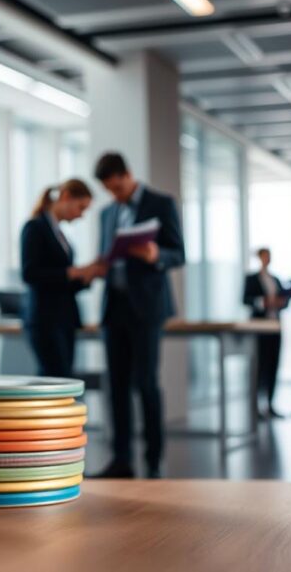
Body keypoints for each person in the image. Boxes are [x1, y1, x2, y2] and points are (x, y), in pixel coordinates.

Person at [92, 152, 185, 479]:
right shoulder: (107, 214)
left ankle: (154, 460)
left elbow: (178, 253)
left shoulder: (161, 204)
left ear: (128, 174)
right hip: (113, 307)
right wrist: (100, 265)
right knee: (115, 385)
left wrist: (156, 253)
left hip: (146, 308)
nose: (115, 195)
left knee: (145, 383)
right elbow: (107, 254)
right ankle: (122, 460)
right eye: (109, 190)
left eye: (117, 187)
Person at [20, 179, 99, 378]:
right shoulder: (35, 227)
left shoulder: (60, 234)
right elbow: (29, 274)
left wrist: (87, 276)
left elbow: (64, 284)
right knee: (54, 378)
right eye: (80, 207)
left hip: (64, 319)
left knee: (65, 378)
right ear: (66, 198)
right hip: (45, 319)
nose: (81, 215)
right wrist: (69, 273)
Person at [242, 248, 288, 419]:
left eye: (269, 256)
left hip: (275, 327)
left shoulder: (275, 279)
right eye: (264, 256)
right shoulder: (252, 279)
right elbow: (245, 300)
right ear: (259, 258)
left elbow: (285, 300)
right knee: (259, 366)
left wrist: (281, 302)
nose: (266, 259)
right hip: (259, 327)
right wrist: (263, 301)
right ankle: (255, 406)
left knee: (273, 365)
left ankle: (270, 404)